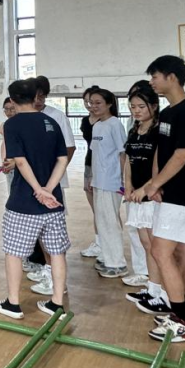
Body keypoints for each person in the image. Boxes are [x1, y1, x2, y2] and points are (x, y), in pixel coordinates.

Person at [129, 55, 185, 343]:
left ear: (171, 77)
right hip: (170, 193)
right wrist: (155, 184)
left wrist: (151, 186)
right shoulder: (168, 113)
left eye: (155, 76)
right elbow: (161, 154)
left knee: (161, 252)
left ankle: (181, 320)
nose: (151, 81)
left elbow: (182, 155)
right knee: (180, 253)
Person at [0, 78, 70, 319]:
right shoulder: (51, 122)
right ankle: (57, 303)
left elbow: (20, 161)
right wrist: (49, 189)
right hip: (54, 202)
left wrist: (38, 190)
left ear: (12, 100)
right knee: (56, 252)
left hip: (24, 202)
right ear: (36, 96)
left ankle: (13, 304)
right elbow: (63, 159)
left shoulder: (12, 124)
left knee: (14, 252)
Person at [24, 75, 77, 296]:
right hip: (31, 184)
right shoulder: (25, 116)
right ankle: (47, 271)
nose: (37, 101)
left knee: (52, 233)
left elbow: (69, 148)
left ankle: (56, 281)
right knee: (38, 230)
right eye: (34, 96)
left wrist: (52, 179)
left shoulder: (56, 116)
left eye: (41, 96)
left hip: (51, 185)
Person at [124, 82, 169, 312]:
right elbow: (128, 161)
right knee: (146, 244)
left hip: (153, 196)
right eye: (133, 107)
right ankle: (153, 289)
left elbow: (159, 165)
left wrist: (148, 188)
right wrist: (128, 186)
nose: (136, 111)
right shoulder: (134, 130)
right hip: (137, 196)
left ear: (154, 106)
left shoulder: (159, 131)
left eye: (141, 106)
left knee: (157, 246)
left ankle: (165, 294)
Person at [88, 88, 128, 279]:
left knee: (111, 222)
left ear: (109, 104)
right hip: (99, 181)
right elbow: (96, 155)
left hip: (112, 182)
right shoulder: (97, 126)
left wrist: (125, 180)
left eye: (98, 103)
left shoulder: (115, 125)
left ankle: (117, 263)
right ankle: (106, 256)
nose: (93, 106)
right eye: (91, 103)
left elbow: (123, 154)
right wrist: (92, 179)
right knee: (102, 221)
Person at [80, 86, 101, 254]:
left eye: (94, 102)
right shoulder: (85, 121)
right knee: (96, 209)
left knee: (105, 209)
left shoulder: (108, 121)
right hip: (89, 164)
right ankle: (99, 242)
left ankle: (107, 244)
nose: (90, 105)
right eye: (87, 102)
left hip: (104, 166)